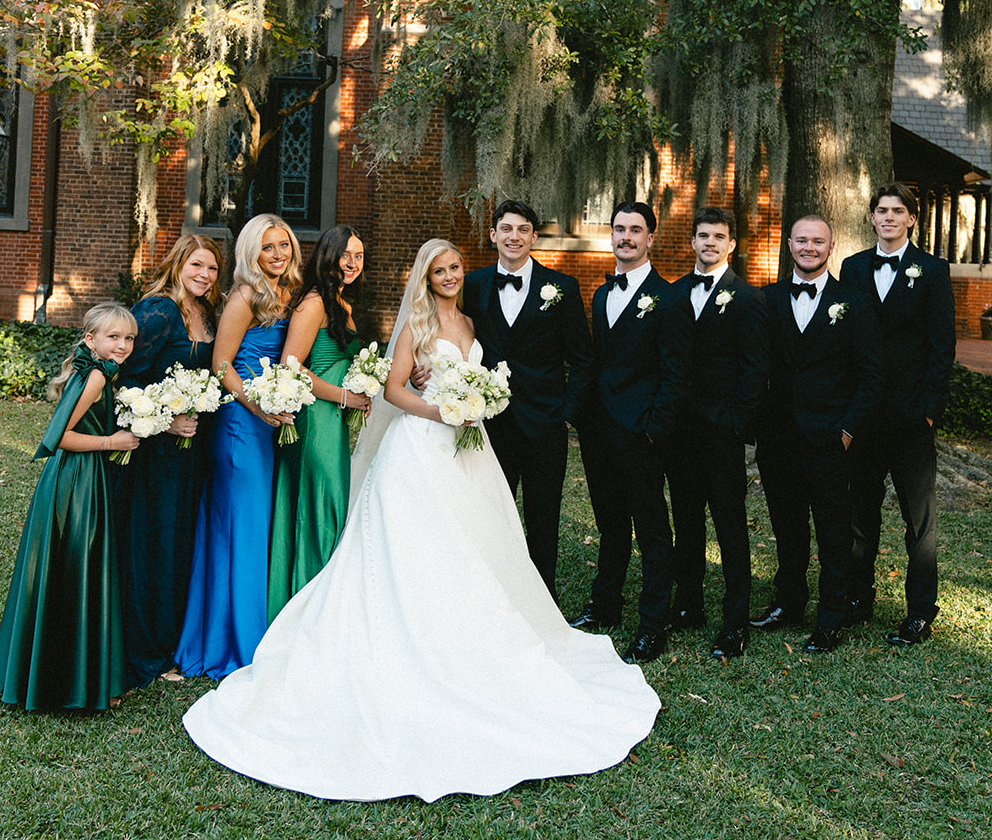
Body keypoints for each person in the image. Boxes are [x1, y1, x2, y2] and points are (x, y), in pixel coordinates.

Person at [181, 238, 660, 802]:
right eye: (439, 270)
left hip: (470, 449)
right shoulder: (416, 321)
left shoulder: (470, 318)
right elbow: (393, 387)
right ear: (425, 277)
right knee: (417, 551)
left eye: (456, 267)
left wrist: (477, 403)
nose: (451, 276)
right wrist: (441, 409)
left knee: (478, 547)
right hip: (420, 449)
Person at [0, 303, 140, 711]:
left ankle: (70, 678)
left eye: (128, 338)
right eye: (113, 337)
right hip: (77, 481)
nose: (122, 345)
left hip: (86, 478)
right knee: (76, 566)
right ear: (90, 340)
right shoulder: (94, 375)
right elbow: (61, 437)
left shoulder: (102, 371)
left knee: (74, 571)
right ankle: (68, 684)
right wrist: (112, 442)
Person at [175, 216, 301, 680]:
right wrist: (257, 406)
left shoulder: (287, 294)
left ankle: (245, 630)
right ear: (252, 252)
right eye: (267, 247)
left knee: (254, 524)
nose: (278, 254)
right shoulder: (245, 296)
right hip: (239, 423)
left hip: (269, 420)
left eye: (283, 244)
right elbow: (221, 362)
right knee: (240, 526)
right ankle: (238, 643)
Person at [752, 215, 882, 654]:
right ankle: (788, 603)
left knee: (832, 532)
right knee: (787, 528)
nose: (809, 248)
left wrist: (848, 431)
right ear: (790, 245)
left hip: (830, 439)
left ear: (831, 247)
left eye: (818, 241)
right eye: (802, 240)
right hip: (777, 439)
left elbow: (871, 375)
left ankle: (831, 616)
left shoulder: (854, 301)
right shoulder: (766, 299)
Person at [569, 201, 691, 665]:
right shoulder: (601, 294)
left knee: (653, 531)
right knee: (611, 526)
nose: (625, 237)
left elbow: (676, 375)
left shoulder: (670, 298)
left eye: (635, 230)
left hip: (642, 435)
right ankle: (605, 605)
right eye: (619, 229)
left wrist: (653, 431)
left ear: (651, 238)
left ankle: (652, 624)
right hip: (599, 432)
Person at [839, 182, 956, 645]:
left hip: (911, 417)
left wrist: (929, 412)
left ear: (911, 219)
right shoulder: (851, 268)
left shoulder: (932, 270)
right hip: (864, 417)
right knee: (859, 514)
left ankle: (921, 611)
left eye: (897, 210)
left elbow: (941, 345)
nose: (888, 217)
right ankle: (857, 599)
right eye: (881, 210)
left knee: (919, 520)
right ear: (872, 218)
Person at [460, 199, 592, 600]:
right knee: (488, 516)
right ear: (493, 234)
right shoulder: (473, 285)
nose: (514, 237)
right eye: (506, 229)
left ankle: (541, 602)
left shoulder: (563, 288)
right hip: (488, 426)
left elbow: (582, 359)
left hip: (544, 426)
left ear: (535, 236)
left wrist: (565, 415)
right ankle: (491, 599)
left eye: (523, 230)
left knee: (543, 520)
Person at [114, 234, 224, 688]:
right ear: (178, 263)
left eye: (213, 269)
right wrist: (165, 420)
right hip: (155, 452)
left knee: (180, 543)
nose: (204, 275)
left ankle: (169, 642)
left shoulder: (206, 313)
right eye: (197, 265)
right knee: (151, 545)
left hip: (193, 450)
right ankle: (142, 650)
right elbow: (123, 383)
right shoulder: (158, 312)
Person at [667, 207, 768, 660]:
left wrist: (734, 425)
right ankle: (688, 606)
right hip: (678, 434)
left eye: (719, 236)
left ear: (731, 245)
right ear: (692, 242)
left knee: (730, 528)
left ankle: (735, 621)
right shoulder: (672, 295)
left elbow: (754, 374)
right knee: (685, 524)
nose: (710, 243)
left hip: (721, 435)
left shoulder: (746, 299)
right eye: (703, 235)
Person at [267, 224, 371, 621]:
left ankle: (325, 609)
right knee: (322, 505)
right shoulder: (313, 302)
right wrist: (347, 395)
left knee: (329, 504)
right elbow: (291, 368)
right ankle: (308, 613)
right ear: (327, 256)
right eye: (345, 254)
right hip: (313, 422)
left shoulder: (341, 303)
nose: (352, 263)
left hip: (334, 421)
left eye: (359, 256)